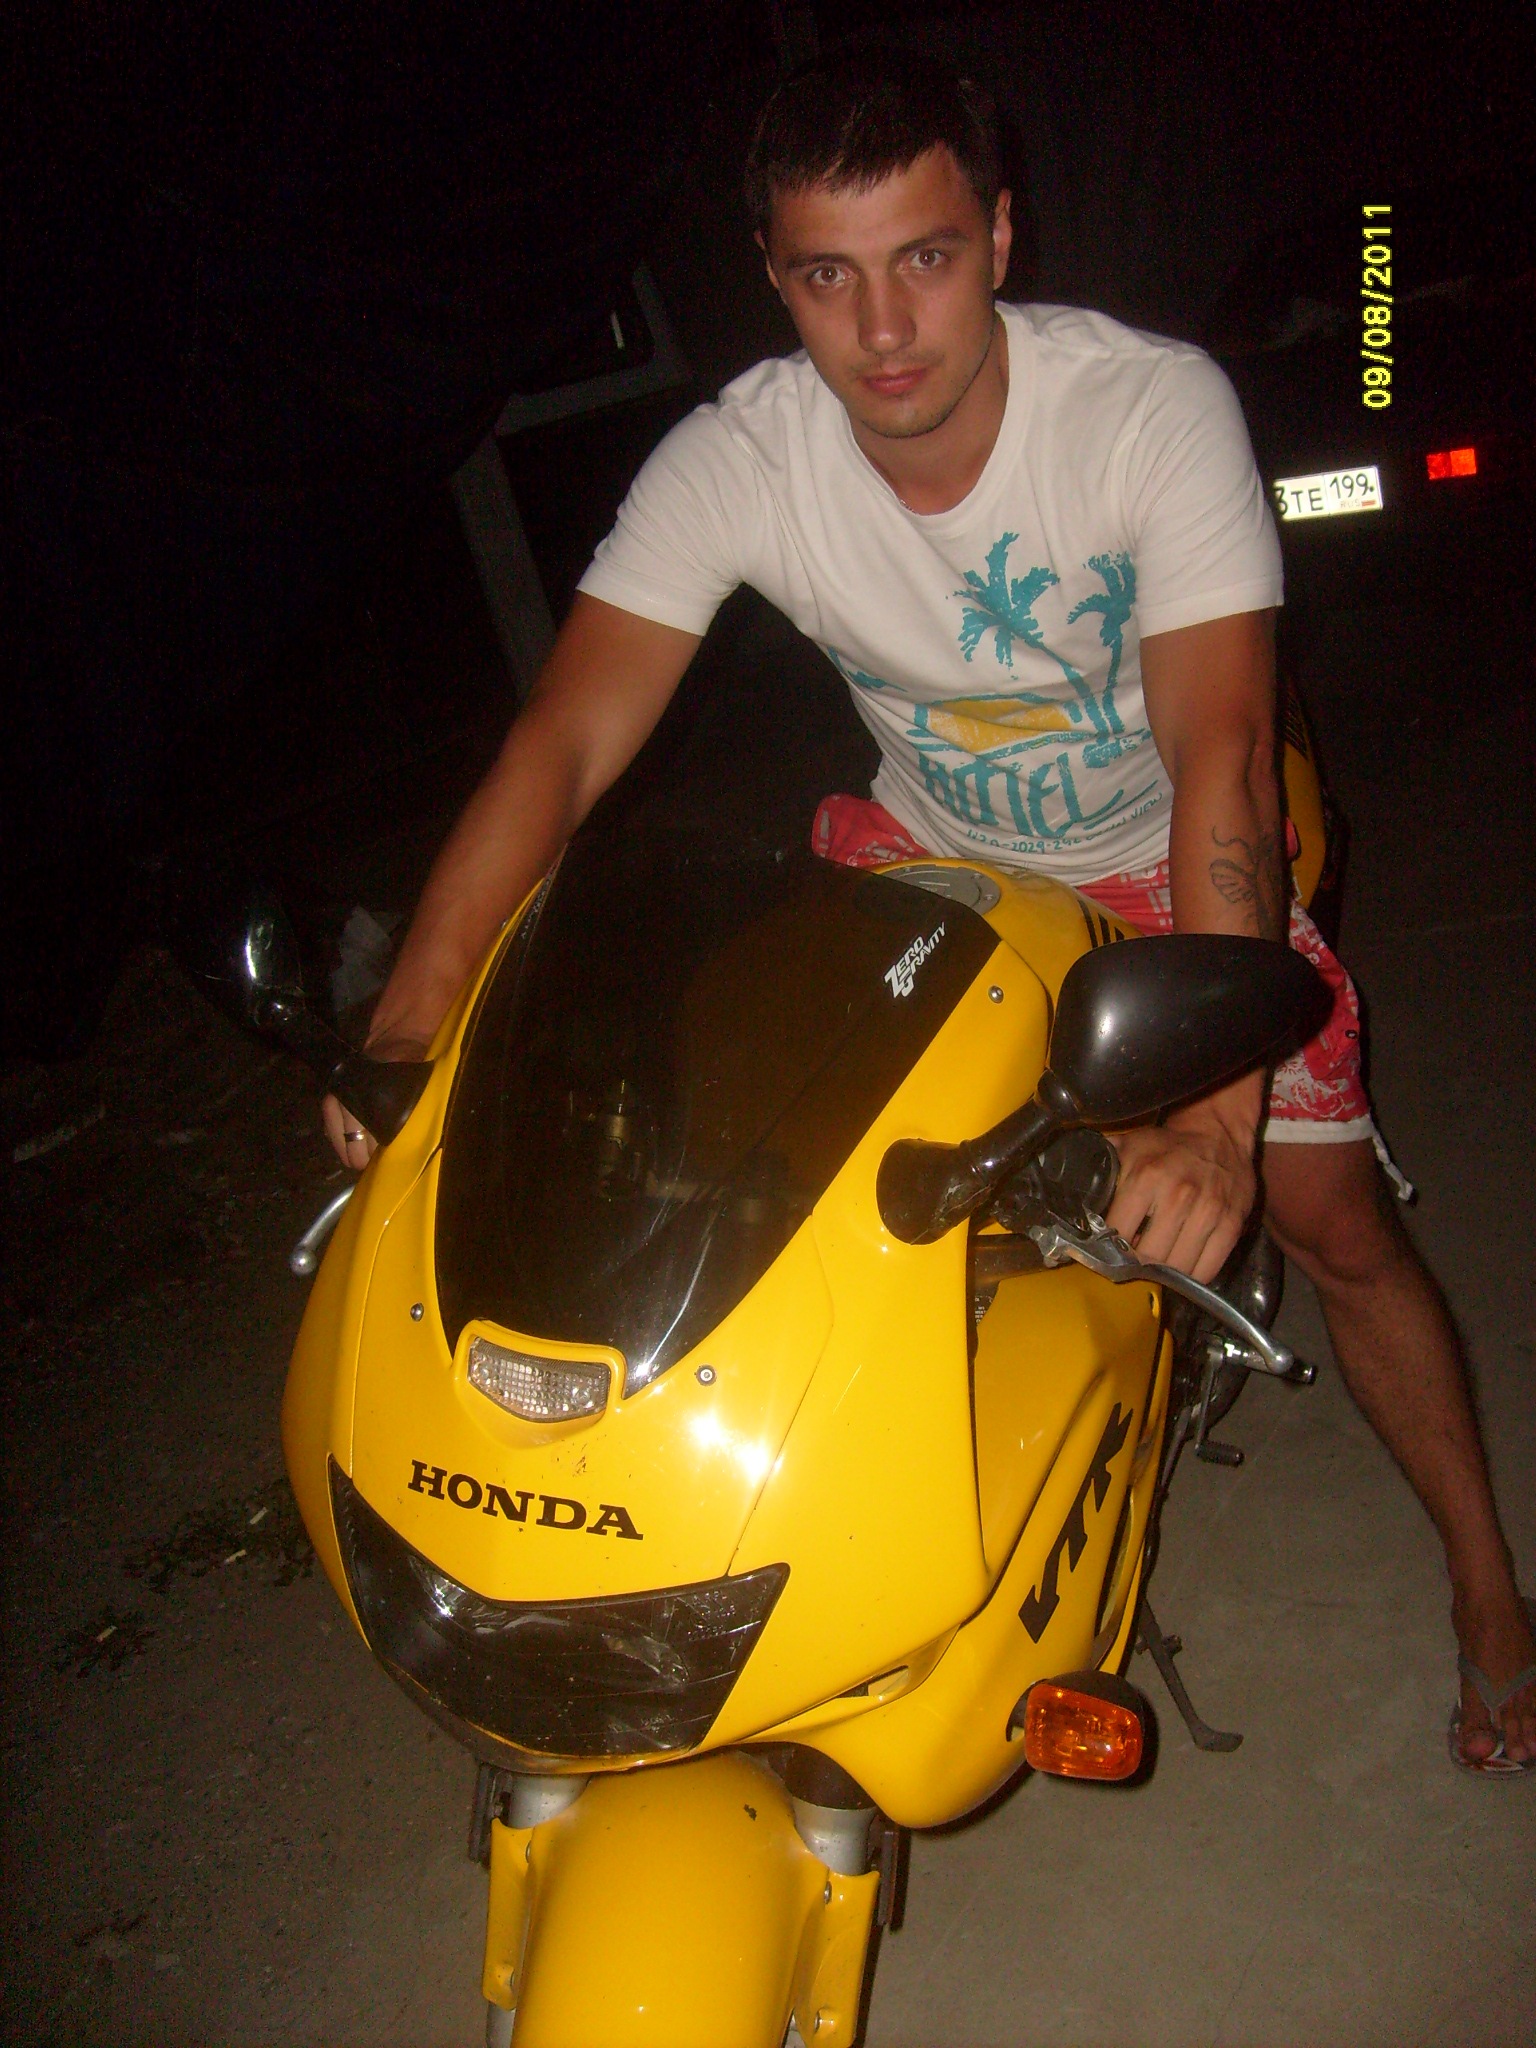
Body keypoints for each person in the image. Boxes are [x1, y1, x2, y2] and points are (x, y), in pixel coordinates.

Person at [324, 53, 1534, 1772]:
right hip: (934, 853)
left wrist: (1216, 1115)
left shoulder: (1147, 409)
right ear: (773, 277)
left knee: (1327, 1215)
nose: (884, 328)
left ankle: (1488, 1588)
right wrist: (408, 1026)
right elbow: (565, 741)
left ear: (1001, 237)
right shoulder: (740, 456)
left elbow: (1219, 752)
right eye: (829, 275)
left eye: (928, 259)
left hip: (1163, 844)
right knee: (763, 1185)